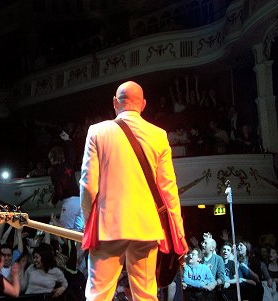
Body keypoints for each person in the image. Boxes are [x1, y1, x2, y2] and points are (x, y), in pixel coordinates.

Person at [79, 80, 187, 301]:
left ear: (114, 103)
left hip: (108, 226)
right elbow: (169, 190)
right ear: (144, 104)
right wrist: (179, 233)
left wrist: (89, 222)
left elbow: (88, 185)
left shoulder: (97, 132)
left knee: (98, 294)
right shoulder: (159, 135)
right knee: (146, 295)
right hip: (146, 227)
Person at [48, 130, 83, 231]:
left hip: (69, 202)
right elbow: (72, 153)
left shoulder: (54, 172)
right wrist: (67, 140)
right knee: (78, 233)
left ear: (52, 158)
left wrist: (53, 202)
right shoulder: (68, 164)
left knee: (65, 232)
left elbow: (59, 191)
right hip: (79, 201)